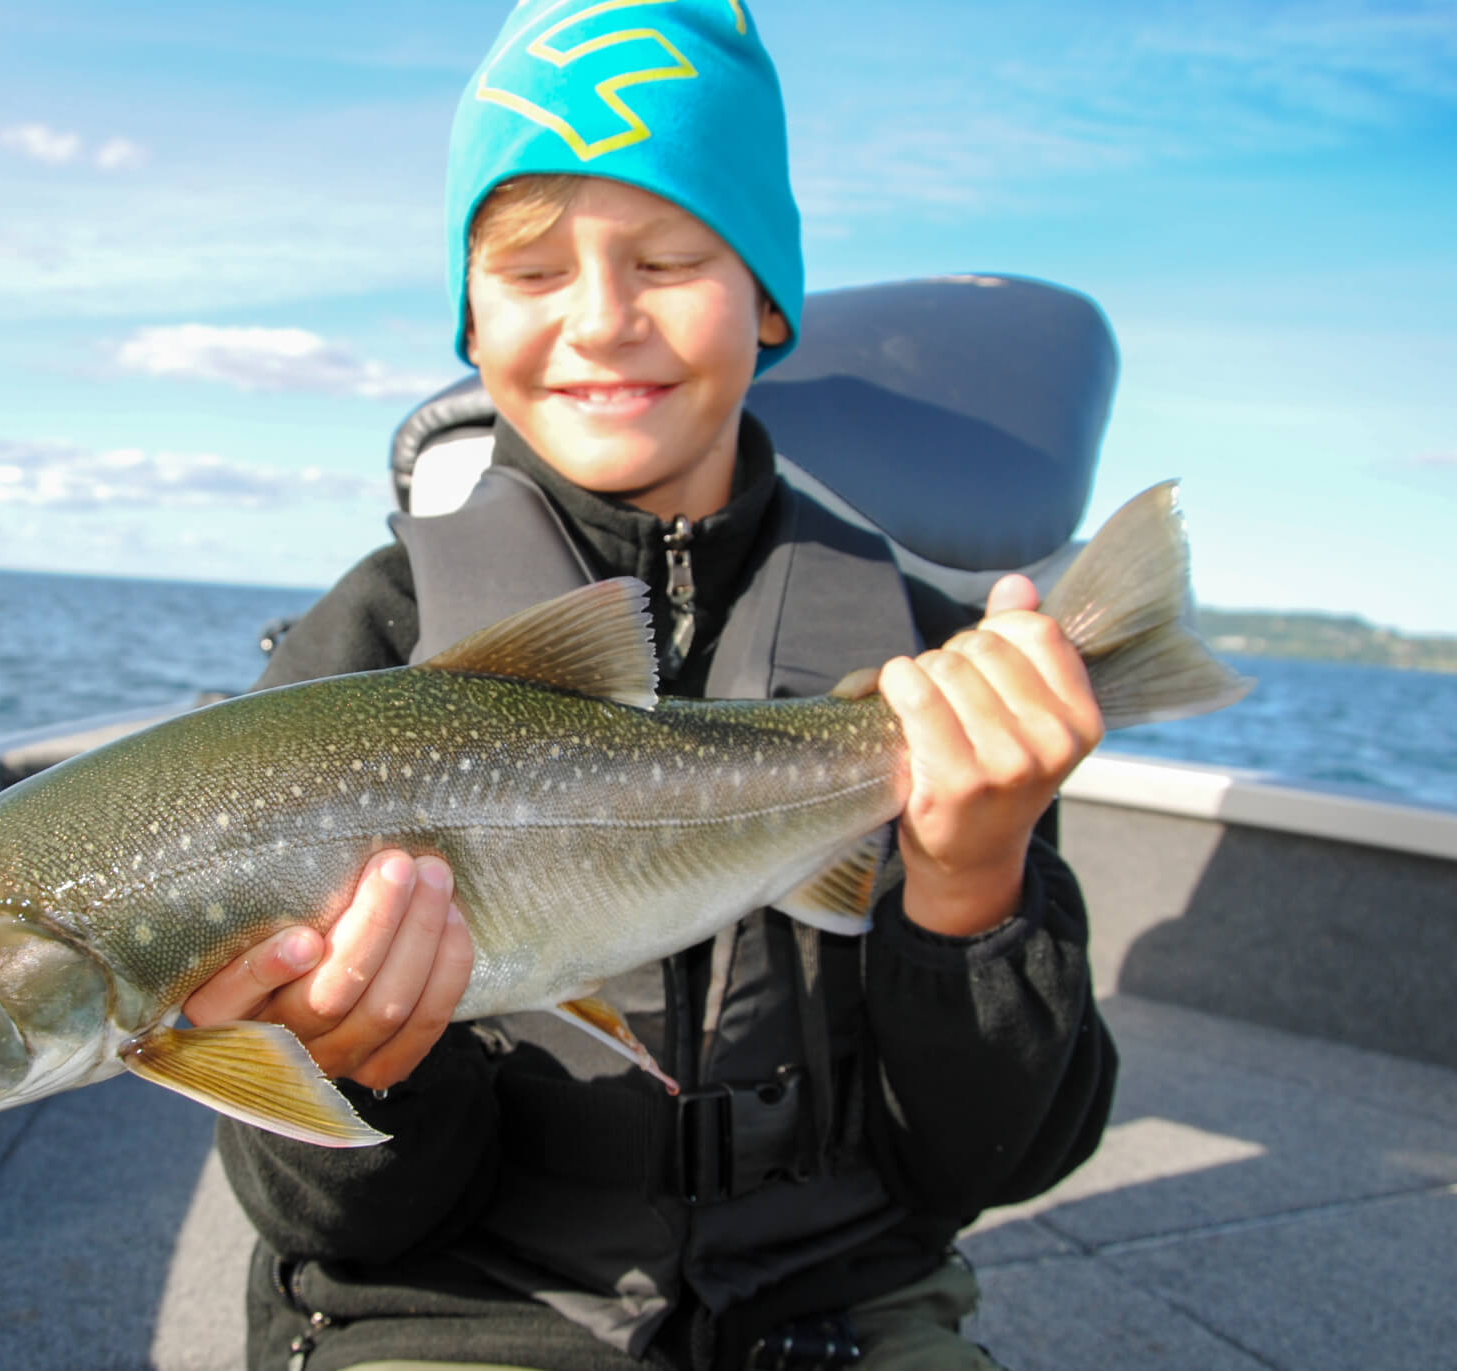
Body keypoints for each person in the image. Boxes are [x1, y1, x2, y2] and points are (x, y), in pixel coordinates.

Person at [183, 3, 1116, 1367]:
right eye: (531, 271)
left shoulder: (925, 669)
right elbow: (332, 1220)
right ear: (469, 315)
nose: (604, 320)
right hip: (458, 1307)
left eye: (673, 257)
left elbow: (1000, 1161)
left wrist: (974, 895)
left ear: (770, 298)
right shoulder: (366, 648)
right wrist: (347, 1064)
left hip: (835, 1297)